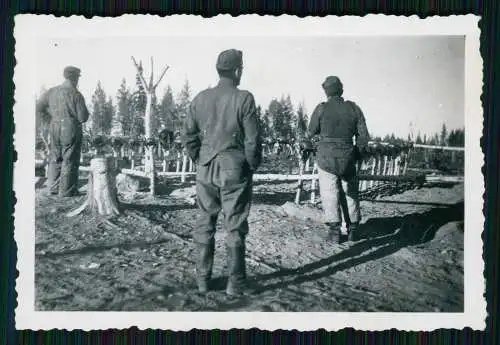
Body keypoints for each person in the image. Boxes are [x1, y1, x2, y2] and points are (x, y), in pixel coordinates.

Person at [182, 49, 262, 296]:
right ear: (237, 70)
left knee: (205, 222)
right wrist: (250, 165)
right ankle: (235, 284)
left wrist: (200, 158)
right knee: (235, 225)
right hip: (234, 169)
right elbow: (252, 140)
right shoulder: (245, 98)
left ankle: (203, 280)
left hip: (206, 168)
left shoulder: (201, 98)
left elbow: (188, 135)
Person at [306, 76, 370, 242]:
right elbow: (363, 136)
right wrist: (357, 154)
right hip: (347, 156)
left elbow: (310, 132)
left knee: (329, 192)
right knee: (351, 193)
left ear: (326, 91)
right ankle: (353, 229)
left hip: (326, 158)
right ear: (341, 89)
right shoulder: (354, 108)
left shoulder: (321, 109)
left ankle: (334, 231)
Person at [36, 66, 90, 197]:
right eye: (77, 78)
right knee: (69, 159)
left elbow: (38, 107)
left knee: (55, 157)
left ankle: (53, 188)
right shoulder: (76, 94)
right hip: (70, 127)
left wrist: (49, 119)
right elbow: (83, 117)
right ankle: (67, 191)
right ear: (75, 79)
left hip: (54, 127)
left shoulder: (52, 91)